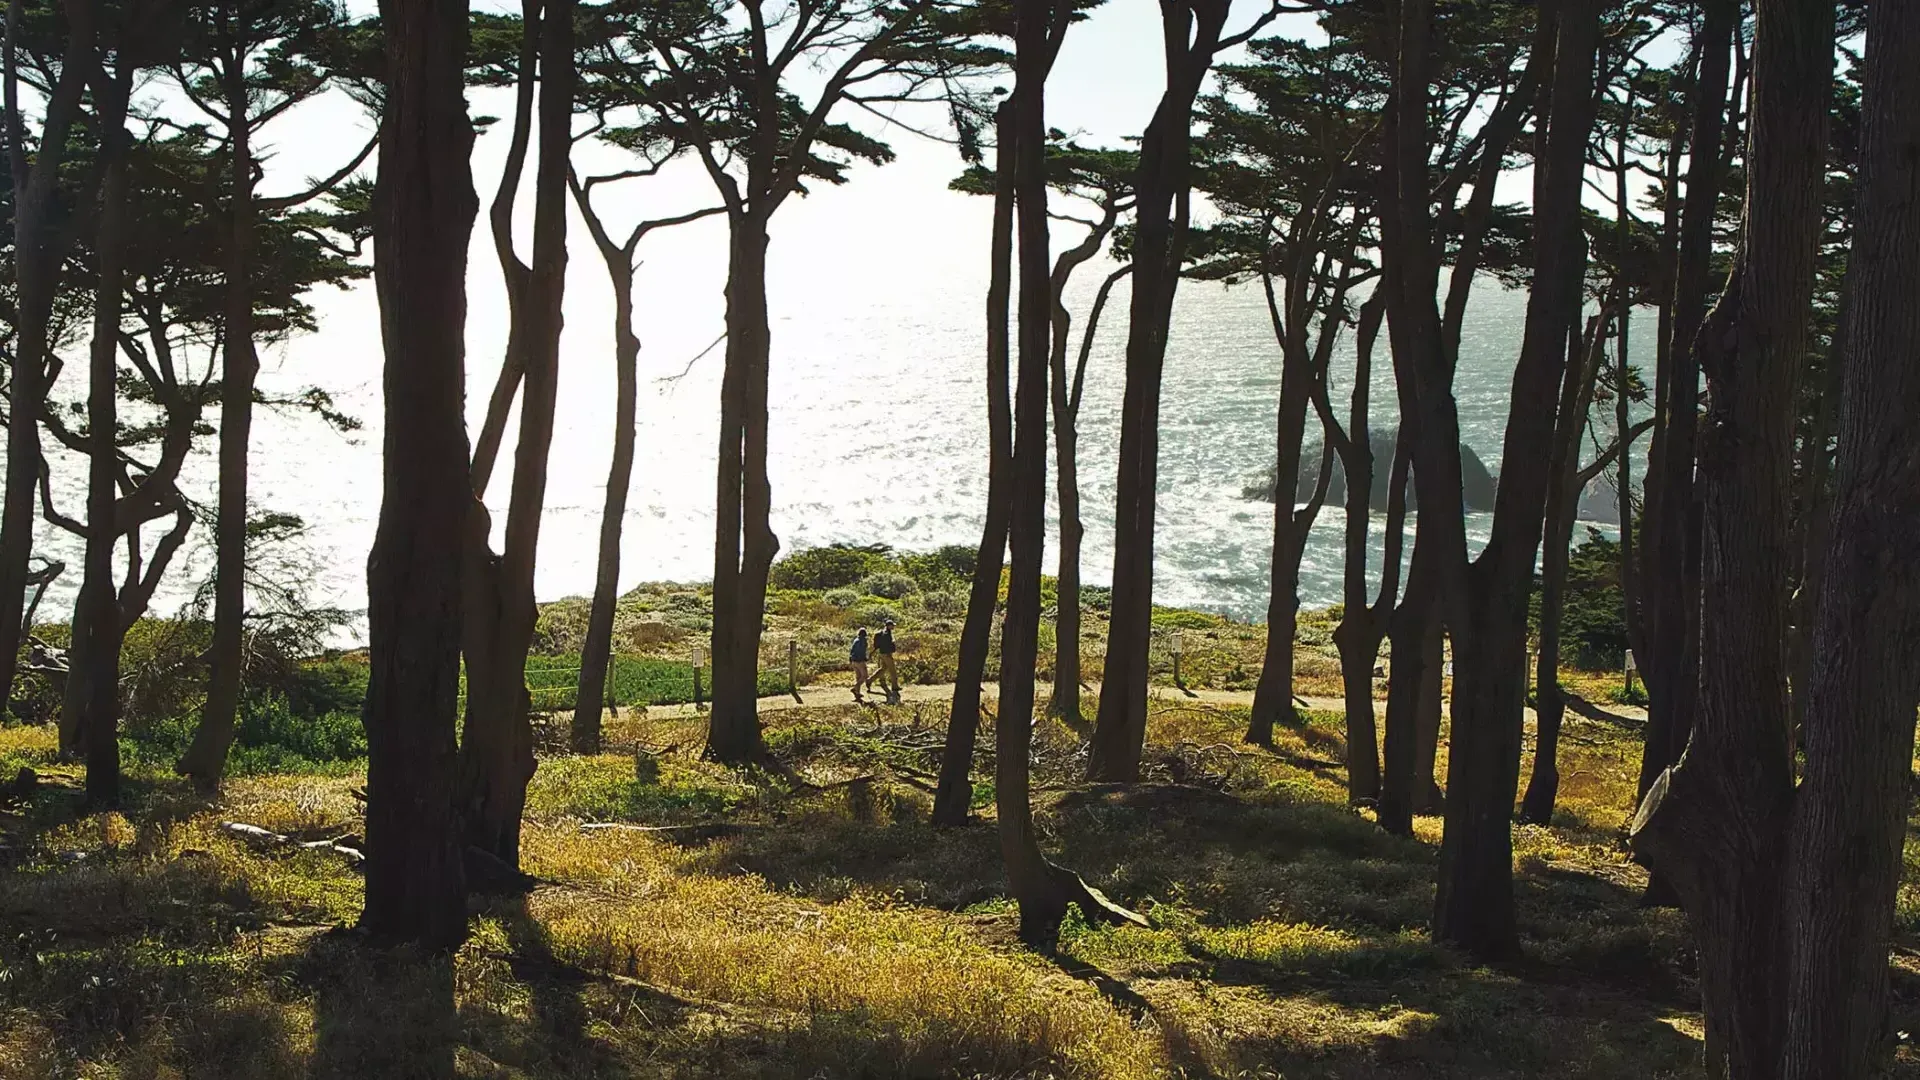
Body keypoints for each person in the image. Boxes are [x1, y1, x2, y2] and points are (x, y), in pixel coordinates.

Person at [869, 618, 899, 701]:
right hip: (886, 654)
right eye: (892, 625)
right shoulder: (886, 634)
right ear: (889, 626)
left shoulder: (884, 632)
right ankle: (895, 687)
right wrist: (889, 653)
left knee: (883, 669)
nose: (893, 627)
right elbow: (887, 645)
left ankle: (869, 680)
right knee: (892, 670)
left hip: (882, 653)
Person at [849, 628, 871, 703]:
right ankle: (855, 688)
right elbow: (862, 651)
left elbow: (852, 650)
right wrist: (865, 658)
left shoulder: (855, 640)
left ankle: (857, 694)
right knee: (865, 676)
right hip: (860, 661)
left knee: (858, 677)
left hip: (854, 660)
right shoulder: (863, 641)